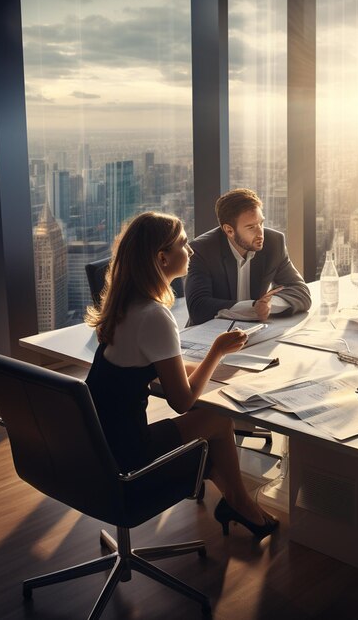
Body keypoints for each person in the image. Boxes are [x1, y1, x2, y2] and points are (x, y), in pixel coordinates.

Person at [85, 211, 278, 539]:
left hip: (95, 446)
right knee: (217, 420)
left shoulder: (125, 305)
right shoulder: (154, 316)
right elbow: (182, 401)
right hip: (128, 457)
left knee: (212, 427)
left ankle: (235, 499)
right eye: (183, 244)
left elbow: (157, 368)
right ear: (162, 257)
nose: (190, 251)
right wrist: (217, 351)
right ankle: (240, 501)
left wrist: (220, 368)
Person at [185, 188, 312, 325]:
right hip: (209, 335)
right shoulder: (202, 250)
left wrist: (268, 305)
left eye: (261, 223)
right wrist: (252, 307)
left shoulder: (274, 243)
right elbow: (198, 307)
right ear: (229, 230)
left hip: (255, 330)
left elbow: (301, 293)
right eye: (251, 227)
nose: (260, 233)